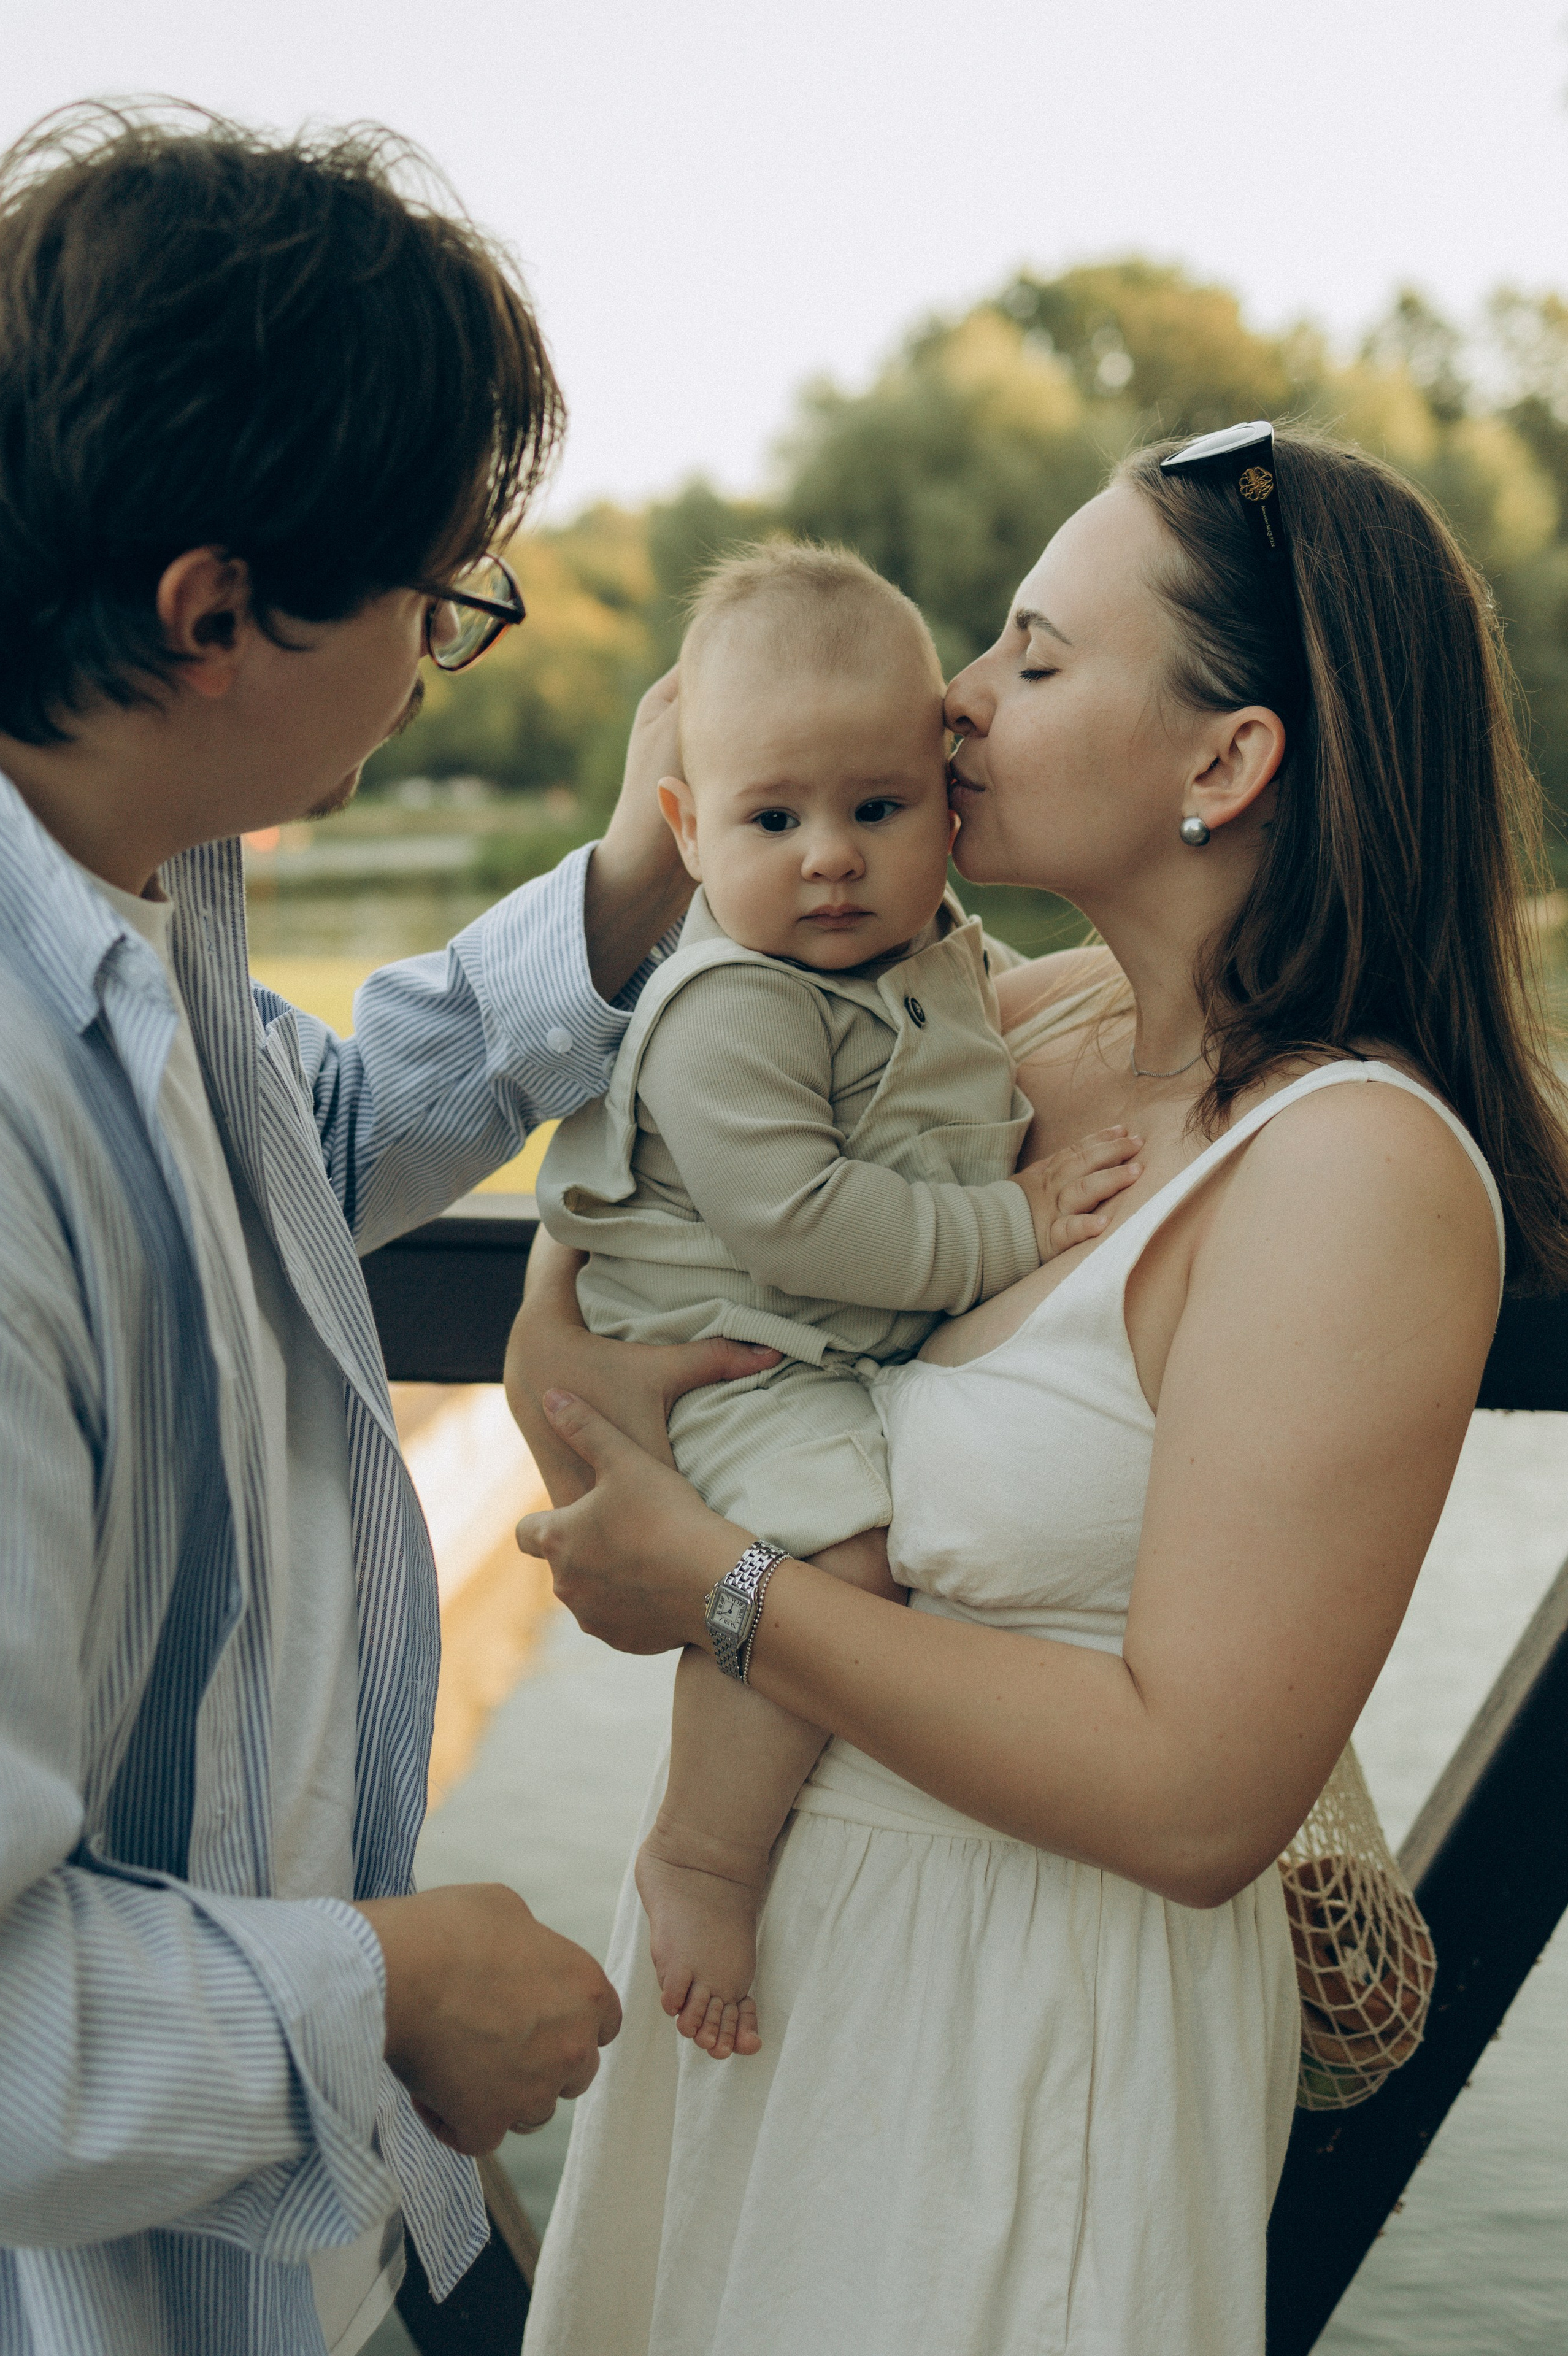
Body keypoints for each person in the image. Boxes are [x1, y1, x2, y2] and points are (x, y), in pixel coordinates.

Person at [507, 425, 1568, 2355]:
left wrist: (723, 1591)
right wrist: (559, 1363)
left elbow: (1197, 1797)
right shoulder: (1018, 1022)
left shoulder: (1352, 1171)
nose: (959, 699)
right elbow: (668, 1196)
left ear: (1225, 764)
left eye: (1035, 656)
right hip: (769, 1997)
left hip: (1016, 2057)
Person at [0, 103, 756, 2356]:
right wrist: (381, 1994)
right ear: (215, 612)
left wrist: (628, 894)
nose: (443, 650)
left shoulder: (132, 914)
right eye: (439, 597)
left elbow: (289, 1158)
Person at [535, 542, 1139, 2058]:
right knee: (837, 1561)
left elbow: (957, 1056)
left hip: (818, 1347)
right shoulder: (730, 1003)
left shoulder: (936, 954)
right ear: (686, 826)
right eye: (773, 818)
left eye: (876, 810)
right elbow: (800, 1224)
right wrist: (1012, 1224)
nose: (829, 858)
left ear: (942, 803)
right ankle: (702, 1849)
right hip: (732, 1357)